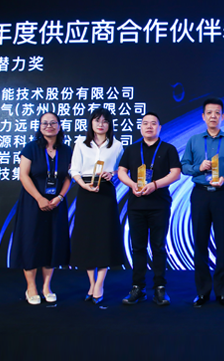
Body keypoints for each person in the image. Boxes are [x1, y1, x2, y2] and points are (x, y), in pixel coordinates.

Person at [181, 97, 224, 307]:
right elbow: (184, 166)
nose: (213, 116)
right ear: (203, 116)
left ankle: (222, 292)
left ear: (223, 116)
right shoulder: (194, 140)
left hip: (222, 194)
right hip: (200, 194)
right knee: (200, 243)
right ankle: (202, 292)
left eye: (217, 113)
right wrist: (198, 168)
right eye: (209, 113)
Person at [118, 112, 181, 306]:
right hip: (136, 205)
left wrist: (154, 185)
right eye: (145, 123)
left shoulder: (168, 149)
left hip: (159, 205)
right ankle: (138, 287)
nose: (149, 126)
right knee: (138, 247)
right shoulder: (131, 149)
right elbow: (121, 171)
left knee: (158, 247)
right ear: (140, 127)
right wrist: (131, 184)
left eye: (153, 123)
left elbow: (176, 174)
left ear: (159, 128)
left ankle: (160, 288)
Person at [11, 112, 72, 305]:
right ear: (39, 126)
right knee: (31, 243)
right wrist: (39, 198)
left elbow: (69, 177)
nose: (49, 126)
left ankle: (47, 287)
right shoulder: (31, 148)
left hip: (56, 203)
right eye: (44, 123)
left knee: (51, 243)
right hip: (32, 203)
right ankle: (31, 287)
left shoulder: (66, 150)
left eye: (53, 123)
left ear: (59, 126)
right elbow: (23, 175)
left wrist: (60, 197)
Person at [69, 107, 125, 304]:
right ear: (91, 123)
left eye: (105, 121)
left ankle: (99, 283)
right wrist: (83, 184)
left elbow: (121, 170)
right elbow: (74, 169)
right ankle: (91, 283)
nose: (101, 124)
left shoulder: (117, 145)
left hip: (105, 192)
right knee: (87, 237)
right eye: (97, 120)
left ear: (110, 124)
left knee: (104, 237)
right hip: (86, 191)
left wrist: (113, 174)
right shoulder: (81, 143)